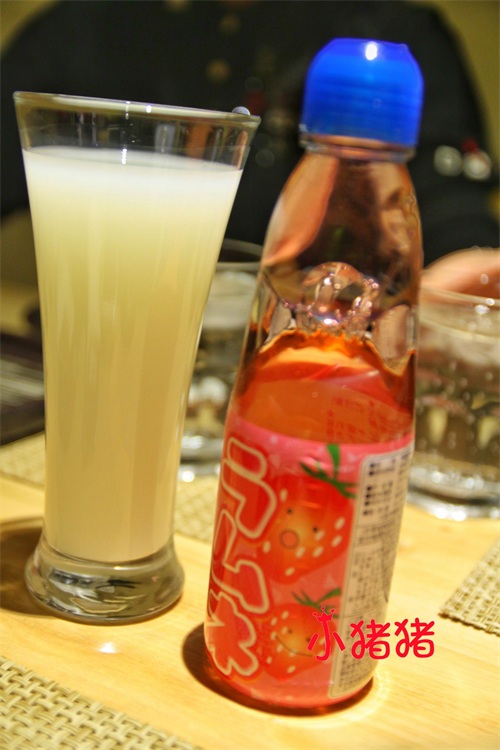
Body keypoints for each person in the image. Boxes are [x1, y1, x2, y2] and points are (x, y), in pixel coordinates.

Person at [1, 0, 498, 266]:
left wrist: (469, 268)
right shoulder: (85, 26)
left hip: (302, 351)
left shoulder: (389, 38)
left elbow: (442, 203)